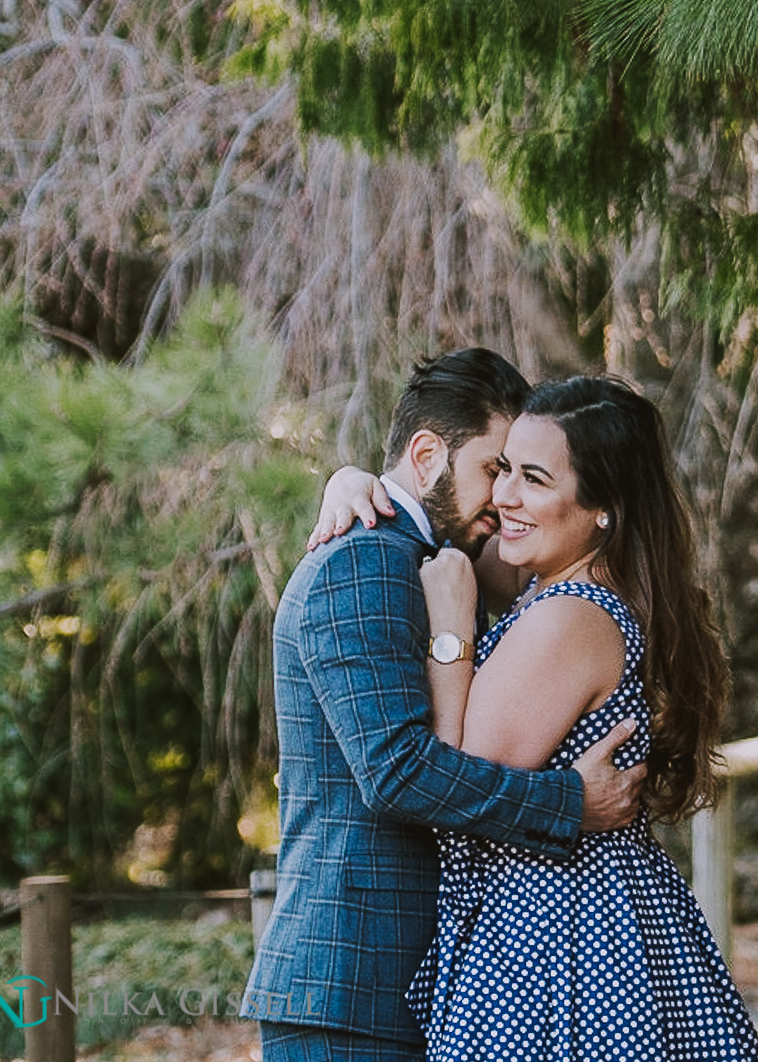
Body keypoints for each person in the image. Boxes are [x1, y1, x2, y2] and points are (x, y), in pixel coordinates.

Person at [321, 373, 758, 1060]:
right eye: (502, 470)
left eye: (534, 478)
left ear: (601, 510)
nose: (503, 498)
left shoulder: (568, 616)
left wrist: (450, 633)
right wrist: (352, 480)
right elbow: (438, 513)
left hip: (554, 939)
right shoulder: (562, 585)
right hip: (570, 918)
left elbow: (457, 780)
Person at [246, 350, 647, 1062]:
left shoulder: (438, 557)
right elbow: (397, 772)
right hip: (352, 986)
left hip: (413, 986)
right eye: (495, 469)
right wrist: (568, 805)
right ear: (428, 452)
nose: (504, 496)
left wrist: (348, 475)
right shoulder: (362, 557)